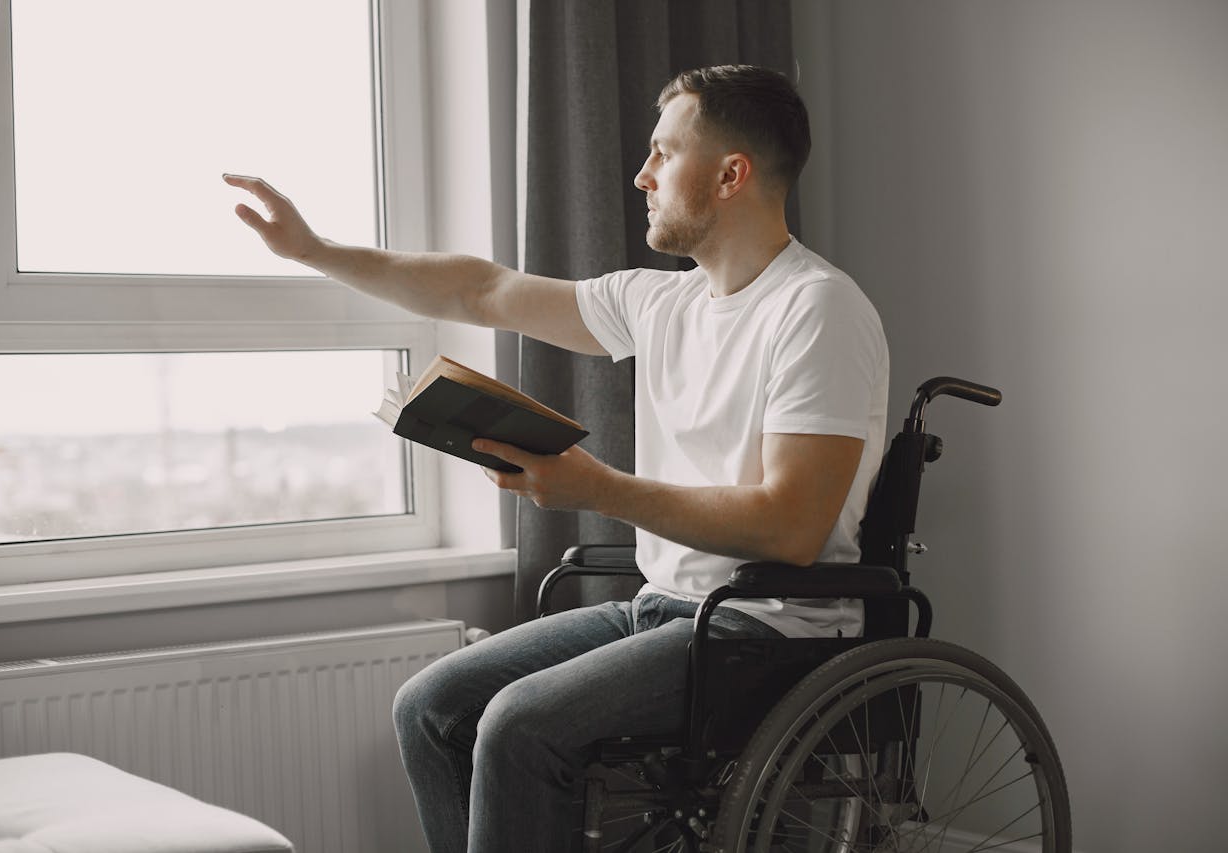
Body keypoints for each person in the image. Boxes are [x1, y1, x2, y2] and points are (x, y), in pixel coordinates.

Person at [228, 64, 887, 853]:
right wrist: (315, 249)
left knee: (517, 726)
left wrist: (597, 489)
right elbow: (484, 291)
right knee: (431, 707)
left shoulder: (817, 309)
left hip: (772, 634)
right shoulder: (662, 302)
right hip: (668, 611)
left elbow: (793, 527)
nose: (640, 175)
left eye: (661, 154)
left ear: (729, 174)